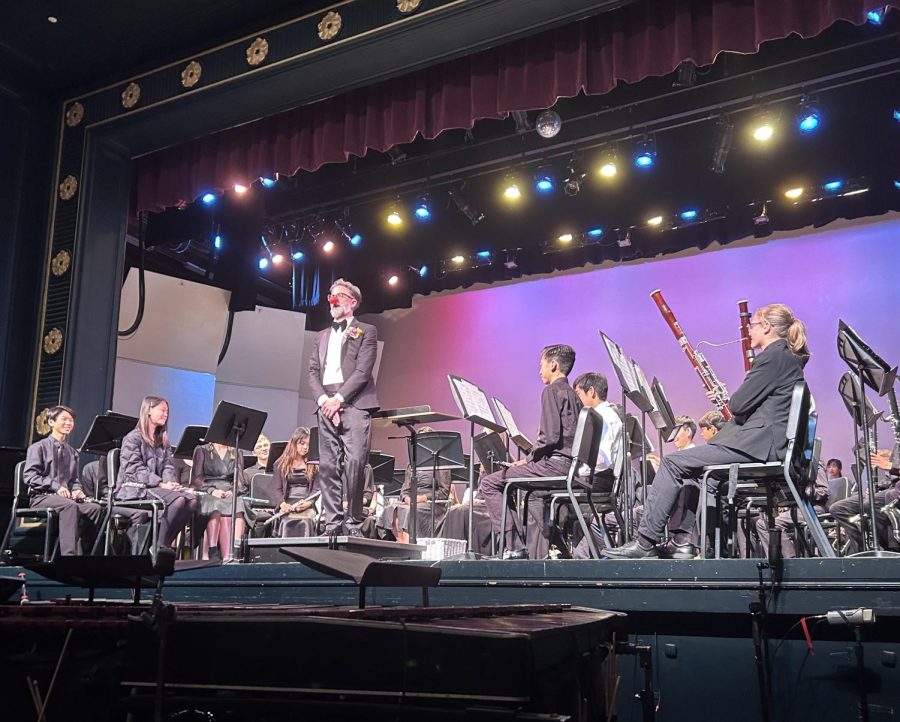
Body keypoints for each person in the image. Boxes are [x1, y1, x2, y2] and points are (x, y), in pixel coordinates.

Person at [605, 303, 809, 559]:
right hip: (766, 443)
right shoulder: (786, 357)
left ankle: (645, 541)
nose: (749, 331)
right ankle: (683, 544)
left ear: (767, 327)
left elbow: (738, 404)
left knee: (671, 463)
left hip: (760, 446)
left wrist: (734, 399)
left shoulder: (772, 356)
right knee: (693, 472)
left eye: (753, 325)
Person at [479, 344, 581, 559]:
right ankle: (550, 546)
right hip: (570, 465)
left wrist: (527, 460)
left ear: (553, 365)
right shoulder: (574, 395)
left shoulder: (551, 390)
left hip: (556, 465)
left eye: (541, 365)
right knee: (529, 492)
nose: (539, 371)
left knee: (489, 483)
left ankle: (514, 546)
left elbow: (550, 438)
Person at [307, 278, 379, 536]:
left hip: (355, 403)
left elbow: (363, 370)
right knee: (327, 466)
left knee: (355, 463)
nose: (332, 299)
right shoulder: (321, 336)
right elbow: (313, 372)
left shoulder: (366, 330)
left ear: (352, 302)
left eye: (338, 295)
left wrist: (339, 399)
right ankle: (332, 524)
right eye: (330, 294)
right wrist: (324, 401)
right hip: (325, 404)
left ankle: (353, 523)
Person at [116, 396, 198, 550]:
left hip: (156, 487)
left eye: (167, 411)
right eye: (162, 410)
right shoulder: (133, 438)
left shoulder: (163, 441)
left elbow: (168, 466)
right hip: (135, 488)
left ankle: (164, 542)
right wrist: (160, 483)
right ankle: (159, 545)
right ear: (149, 411)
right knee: (178, 500)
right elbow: (133, 468)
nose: (165, 414)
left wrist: (170, 483)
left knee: (191, 500)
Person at [23, 406, 104, 556]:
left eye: (71, 420)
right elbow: (30, 476)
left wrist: (77, 489)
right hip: (42, 496)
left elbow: (74, 479)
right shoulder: (38, 447)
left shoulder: (72, 452)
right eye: (64, 419)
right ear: (52, 422)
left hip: (64, 498)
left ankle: (85, 553)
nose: (69, 423)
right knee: (70, 507)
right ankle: (69, 555)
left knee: (95, 509)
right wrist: (55, 486)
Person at [569, 372, 623, 558]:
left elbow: (601, 460)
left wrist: (578, 469)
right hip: (601, 478)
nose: (577, 400)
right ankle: (578, 551)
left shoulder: (602, 416)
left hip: (598, 479)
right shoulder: (608, 414)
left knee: (540, 494)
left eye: (579, 394)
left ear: (591, 391)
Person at [633, 416, 698, 558]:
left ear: (687, 431)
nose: (673, 437)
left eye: (677, 431)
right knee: (639, 510)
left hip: (686, 500)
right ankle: (647, 544)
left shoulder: (694, 454)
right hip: (675, 497)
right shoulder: (677, 456)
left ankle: (675, 542)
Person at [192, 441, 254, 561]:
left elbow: (239, 479)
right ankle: (212, 550)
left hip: (229, 490)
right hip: (208, 490)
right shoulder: (202, 450)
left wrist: (233, 490)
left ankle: (233, 553)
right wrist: (212, 490)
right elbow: (197, 479)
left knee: (238, 504)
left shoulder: (236, 451)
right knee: (215, 504)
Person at [830, 449, 899, 554]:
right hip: (889, 487)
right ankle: (864, 550)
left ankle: (892, 550)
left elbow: (893, 468)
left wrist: (890, 466)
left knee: (871, 503)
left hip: (895, 490)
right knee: (838, 509)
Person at [80, 457, 150, 554]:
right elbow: (88, 496)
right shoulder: (91, 467)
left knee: (143, 513)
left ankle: (133, 553)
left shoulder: (128, 466)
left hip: (123, 502)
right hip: (103, 506)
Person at [272, 427, 320, 538]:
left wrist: (308, 503)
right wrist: (283, 504)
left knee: (306, 521)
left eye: (308, 445)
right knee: (286, 522)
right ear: (294, 442)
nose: (305, 447)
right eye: (302, 443)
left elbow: (316, 489)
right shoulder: (280, 464)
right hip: (287, 504)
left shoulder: (314, 463)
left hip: (306, 503)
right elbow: (277, 489)